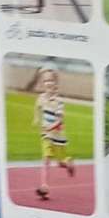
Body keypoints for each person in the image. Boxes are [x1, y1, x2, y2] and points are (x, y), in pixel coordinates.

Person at [33, 64, 77, 201]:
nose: (48, 83)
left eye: (51, 80)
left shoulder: (59, 102)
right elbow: (37, 106)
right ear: (42, 83)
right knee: (46, 159)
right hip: (46, 135)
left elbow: (60, 121)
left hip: (58, 136)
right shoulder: (41, 98)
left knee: (60, 163)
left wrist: (50, 127)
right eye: (45, 81)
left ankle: (68, 163)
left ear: (56, 83)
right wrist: (36, 118)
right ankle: (44, 187)